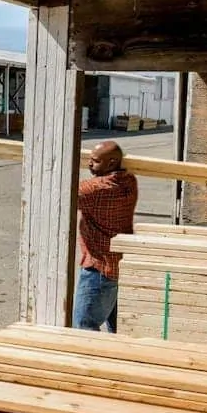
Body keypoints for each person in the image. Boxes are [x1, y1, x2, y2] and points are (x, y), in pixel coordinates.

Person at [73, 141, 138, 333]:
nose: (89, 165)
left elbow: (62, 194)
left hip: (98, 269)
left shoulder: (95, 190)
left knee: (85, 326)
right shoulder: (129, 181)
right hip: (118, 266)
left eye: (95, 161)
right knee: (118, 328)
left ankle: (89, 362)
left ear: (111, 163)